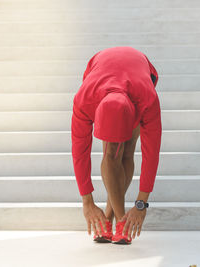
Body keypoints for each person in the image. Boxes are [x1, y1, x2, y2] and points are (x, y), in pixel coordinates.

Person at [71, 46, 162, 244]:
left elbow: (151, 154)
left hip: (140, 74)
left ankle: (117, 222)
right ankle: (119, 221)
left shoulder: (148, 101)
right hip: (98, 71)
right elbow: (80, 153)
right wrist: (87, 202)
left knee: (127, 151)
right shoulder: (83, 102)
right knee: (111, 152)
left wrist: (141, 205)